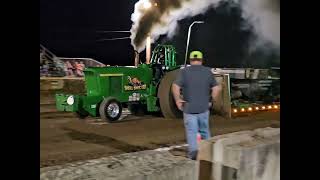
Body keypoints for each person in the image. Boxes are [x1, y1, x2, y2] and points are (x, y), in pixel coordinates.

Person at [172, 50, 221, 160]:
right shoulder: (207, 72)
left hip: (189, 109)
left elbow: (175, 86)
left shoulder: (184, 72)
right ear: (201, 60)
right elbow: (217, 88)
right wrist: (211, 100)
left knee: (192, 133)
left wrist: (178, 100)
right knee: (205, 131)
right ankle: (208, 154)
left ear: (190, 60)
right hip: (204, 109)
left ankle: (194, 156)